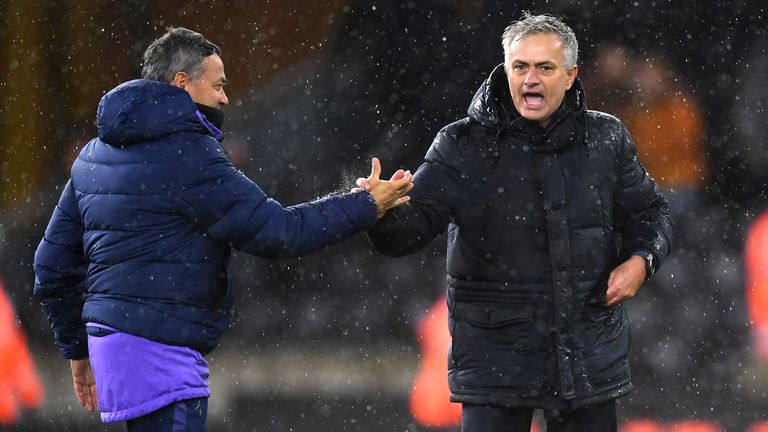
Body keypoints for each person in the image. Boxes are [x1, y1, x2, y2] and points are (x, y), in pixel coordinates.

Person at [33, 27, 412, 431]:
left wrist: (78, 346)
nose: (225, 98)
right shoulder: (189, 153)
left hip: (111, 346)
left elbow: (51, 264)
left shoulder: (93, 155)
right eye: (218, 85)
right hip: (163, 351)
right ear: (182, 84)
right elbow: (279, 231)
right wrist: (366, 205)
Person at [361, 12, 673, 432]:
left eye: (545, 67)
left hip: (585, 364)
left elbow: (652, 214)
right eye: (520, 66)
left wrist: (642, 261)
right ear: (505, 70)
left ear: (570, 75)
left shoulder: (606, 139)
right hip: (495, 368)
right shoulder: (461, 145)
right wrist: (379, 212)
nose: (531, 79)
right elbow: (407, 234)